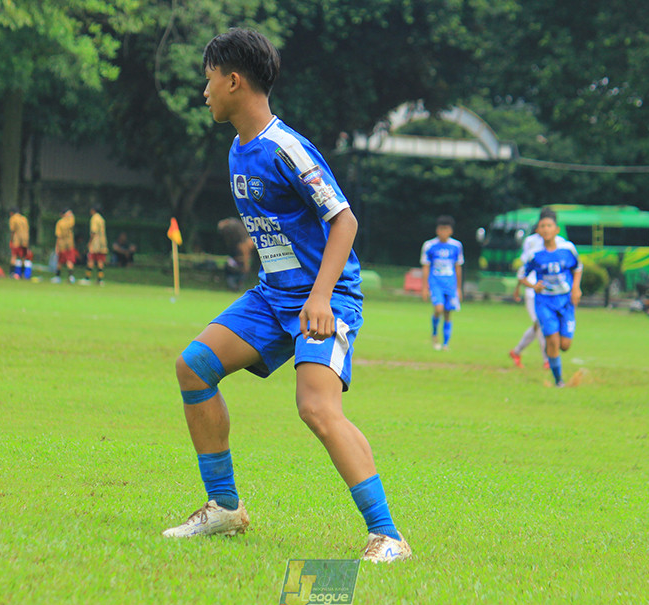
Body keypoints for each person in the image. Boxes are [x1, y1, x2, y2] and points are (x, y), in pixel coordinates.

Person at [163, 28, 410, 563]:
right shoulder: (237, 148)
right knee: (194, 367)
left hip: (326, 297)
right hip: (273, 297)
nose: (204, 92)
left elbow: (344, 220)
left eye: (208, 80)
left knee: (317, 409)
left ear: (234, 80)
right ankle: (224, 508)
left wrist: (319, 299)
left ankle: (388, 536)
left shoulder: (286, 147)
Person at [518, 209, 583, 387]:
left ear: (556, 229)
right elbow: (522, 275)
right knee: (553, 341)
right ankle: (559, 380)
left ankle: (553, 355)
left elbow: (577, 267)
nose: (546, 229)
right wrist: (533, 286)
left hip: (566, 302)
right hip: (545, 303)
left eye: (549, 226)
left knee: (565, 345)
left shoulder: (567, 249)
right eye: (542, 226)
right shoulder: (535, 253)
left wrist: (576, 288)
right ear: (538, 231)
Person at [509, 212, 550, 368]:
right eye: (542, 225)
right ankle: (547, 360)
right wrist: (518, 287)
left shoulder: (560, 244)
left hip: (549, 291)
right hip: (531, 289)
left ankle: (517, 351)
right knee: (540, 324)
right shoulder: (530, 242)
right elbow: (524, 267)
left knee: (538, 324)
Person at [420, 215, 464, 350]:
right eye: (441, 229)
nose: (443, 232)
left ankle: (445, 344)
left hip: (450, 284)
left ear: (451, 231)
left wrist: (459, 288)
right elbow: (426, 267)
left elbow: (458, 268)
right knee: (438, 308)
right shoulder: (430, 245)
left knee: (448, 313)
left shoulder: (456, 246)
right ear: (437, 230)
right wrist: (424, 287)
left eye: (446, 229)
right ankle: (434, 333)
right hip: (436, 282)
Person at [217, 216, 254, 291]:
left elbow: (244, 249)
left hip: (237, 258)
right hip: (237, 257)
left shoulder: (236, 229)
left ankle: (236, 286)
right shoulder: (239, 233)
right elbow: (244, 248)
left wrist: (245, 264)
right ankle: (236, 286)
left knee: (238, 273)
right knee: (239, 272)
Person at [83, 205, 107, 285]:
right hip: (102, 243)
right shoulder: (101, 218)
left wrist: (89, 242)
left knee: (91, 260)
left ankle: (87, 278)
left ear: (93, 210)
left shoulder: (94, 218)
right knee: (100, 261)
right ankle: (100, 280)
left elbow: (94, 231)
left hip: (95, 243)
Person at [52, 208, 76, 283]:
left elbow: (58, 236)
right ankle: (71, 277)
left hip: (62, 245)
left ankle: (57, 277)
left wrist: (56, 247)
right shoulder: (70, 221)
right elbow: (72, 217)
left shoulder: (60, 223)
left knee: (60, 262)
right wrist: (70, 214)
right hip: (70, 244)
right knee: (69, 261)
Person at [8, 208, 33, 279]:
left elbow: (12, 230)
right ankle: (22, 274)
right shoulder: (24, 219)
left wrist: (11, 240)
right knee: (23, 257)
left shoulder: (13, 219)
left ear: (12, 213)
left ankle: (12, 273)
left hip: (17, 240)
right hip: (25, 241)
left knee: (14, 256)